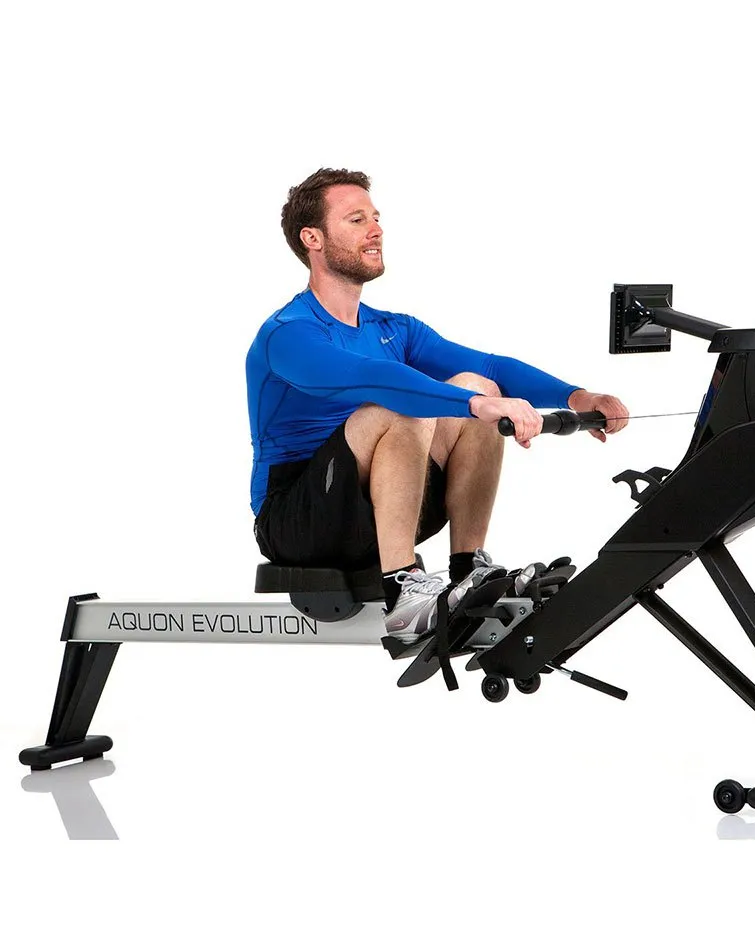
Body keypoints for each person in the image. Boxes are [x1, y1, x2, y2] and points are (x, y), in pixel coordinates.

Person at [247, 168, 629, 642]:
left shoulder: (393, 328)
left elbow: (488, 365)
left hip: (386, 506)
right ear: (313, 239)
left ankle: (468, 569)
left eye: (376, 217)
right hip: (299, 522)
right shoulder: (287, 334)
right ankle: (403, 591)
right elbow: (370, 378)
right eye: (356, 219)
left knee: (479, 383)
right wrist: (472, 405)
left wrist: (577, 396)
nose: (375, 229)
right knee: (402, 405)